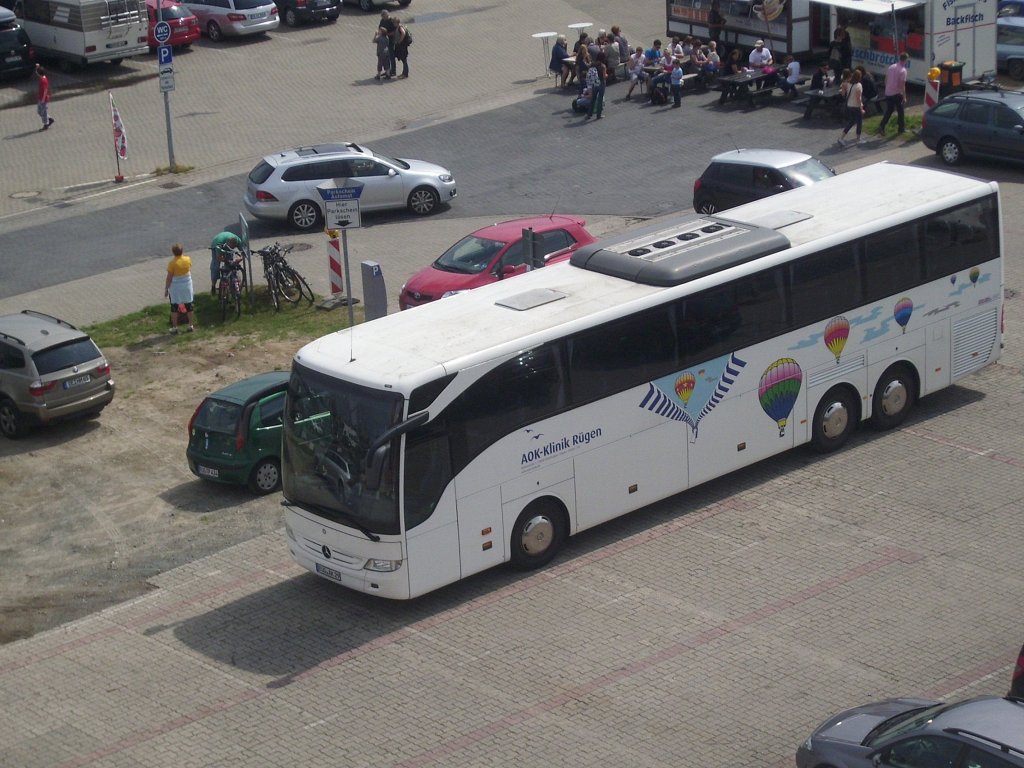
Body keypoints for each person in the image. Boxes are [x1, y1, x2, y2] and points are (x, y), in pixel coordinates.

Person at [164, 244, 195, 334]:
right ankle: (190, 325)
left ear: (173, 252)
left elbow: (169, 278)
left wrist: (166, 289)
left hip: (176, 287)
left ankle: (175, 327)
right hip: (187, 285)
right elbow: (189, 269)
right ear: (182, 251)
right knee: (189, 306)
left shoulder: (172, 263)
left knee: (174, 307)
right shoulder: (187, 259)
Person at [877, 52, 910, 135]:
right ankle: (901, 128)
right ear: (905, 60)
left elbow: (886, 79)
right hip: (897, 93)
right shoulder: (903, 70)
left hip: (888, 92)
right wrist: (904, 96)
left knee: (889, 110)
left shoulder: (891, 67)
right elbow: (902, 85)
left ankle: (882, 126)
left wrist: (887, 88)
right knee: (900, 110)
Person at [838, 68, 865, 146]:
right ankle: (858, 138)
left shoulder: (849, 84)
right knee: (859, 122)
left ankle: (841, 137)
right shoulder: (859, 85)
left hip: (849, 105)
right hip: (856, 106)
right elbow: (858, 98)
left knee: (851, 121)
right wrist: (861, 108)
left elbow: (844, 92)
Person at [585, 52, 607, 120]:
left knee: (593, 99)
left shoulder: (593, 64)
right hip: (601, 83)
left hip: (594, 83)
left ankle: (589, 114)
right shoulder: (603, 66)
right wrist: (607, 75)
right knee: (600, 99)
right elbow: (604, 76)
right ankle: (598, 115)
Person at [35, 65, 54, 132]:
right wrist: (37, 67)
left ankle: (46, 124)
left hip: (43, 99)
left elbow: (45, 90)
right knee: (40, 111)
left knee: (43, 112)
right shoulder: (42, 77)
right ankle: (50, 119)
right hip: (40, 98)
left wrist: (43, 99)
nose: (36, 73)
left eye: (36, 72)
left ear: (39, 73)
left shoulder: (43, 81)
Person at [379, 10, 397, 78]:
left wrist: (388, 34)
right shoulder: (382, 21)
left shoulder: (391, 21)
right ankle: (388, 70)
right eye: (382, 17)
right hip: (385, 40)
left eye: (383, 16)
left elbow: (395, 30)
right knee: (386, 57)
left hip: (391, 40)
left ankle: (393, 71)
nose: (383, 18)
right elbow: (380, 27)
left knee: (391, 56)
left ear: (386, 15)